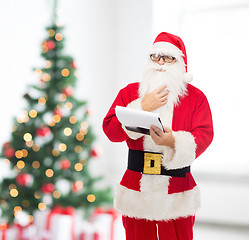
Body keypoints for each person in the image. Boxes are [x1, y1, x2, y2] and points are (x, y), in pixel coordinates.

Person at [102, 32, 213, 240]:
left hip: (177, 191)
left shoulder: (196, 98)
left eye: (168, 57)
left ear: (180, 62)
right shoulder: (130, 93)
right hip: (137, 190)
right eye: (156, 57)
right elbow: (110, 130)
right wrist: (143, 106)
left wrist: (173, 141)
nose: (161, 63)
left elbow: (204, 135)